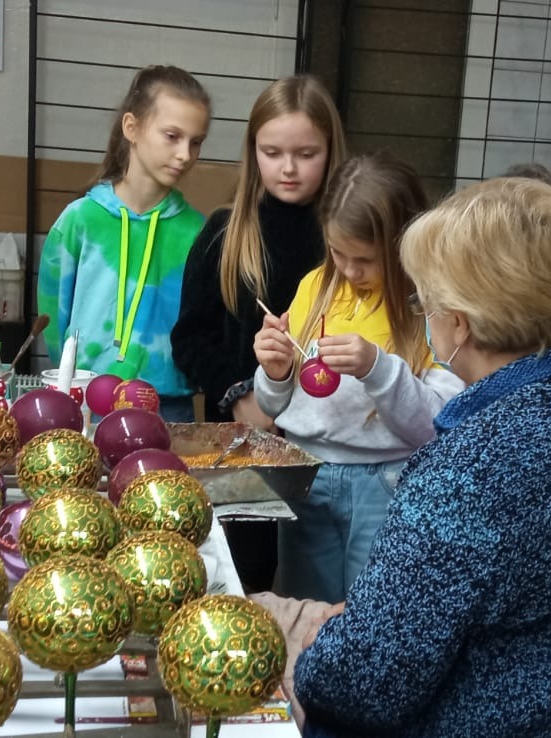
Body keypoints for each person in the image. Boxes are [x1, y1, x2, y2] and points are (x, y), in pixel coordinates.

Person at [292, 178, 551, 737]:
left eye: (424, 302)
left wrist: (311, 650)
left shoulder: (477, 466)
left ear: (459, 324)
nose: (423, 315)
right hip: (550, 693)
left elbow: (359, 688)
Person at [251, 153, 463, 603]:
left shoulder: (431, 310)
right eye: (337, 252)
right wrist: (275, 372)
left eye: (364, 259)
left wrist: (378, 369)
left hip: (388, 482)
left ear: (402, 244)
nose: (348, 270)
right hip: (307, 474)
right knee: (304, 611)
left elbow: (438, 427)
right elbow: (274, 405)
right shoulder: (315, 286)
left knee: (374, 611)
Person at [37, 65, 211, 422]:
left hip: (169, 408)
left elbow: (203, 328)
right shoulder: (80, 219)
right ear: (131, 128)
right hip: (86, 400)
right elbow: (53, 315)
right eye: (172, 136)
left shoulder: (199, 232)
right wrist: (74, 375)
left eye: (196, 142)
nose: (185, 154)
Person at [173, 76, 345, 426]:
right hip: (242, 434)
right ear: (253, 150)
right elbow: (189, 338)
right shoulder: (224, 231)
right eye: (272, 153)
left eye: (307, 154)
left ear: (331, 149)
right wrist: (235, 391)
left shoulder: (351, 237)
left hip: (333, 436)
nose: (288, 168)